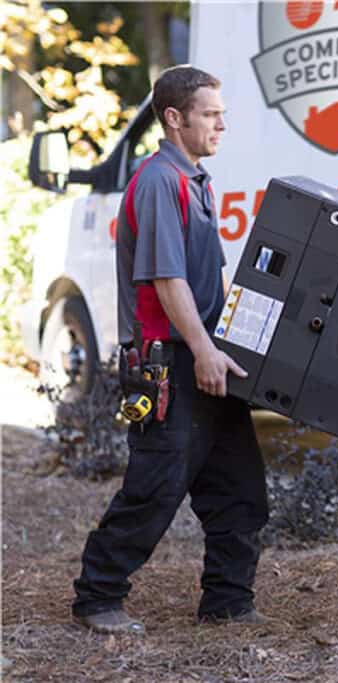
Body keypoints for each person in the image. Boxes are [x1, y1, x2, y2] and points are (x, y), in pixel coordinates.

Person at [71, 66, 268, 635]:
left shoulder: (196, 181)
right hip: (171, 363)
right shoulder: (160, 181)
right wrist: (204, 351)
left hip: (206, 359)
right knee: (155, 489)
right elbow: (166, 280)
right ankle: (97, 598)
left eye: (222, 113)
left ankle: (228, 603)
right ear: (175, 118)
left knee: (240, 492)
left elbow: (209, 282)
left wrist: (229, 347)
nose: (222, 124)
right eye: (211, 113)